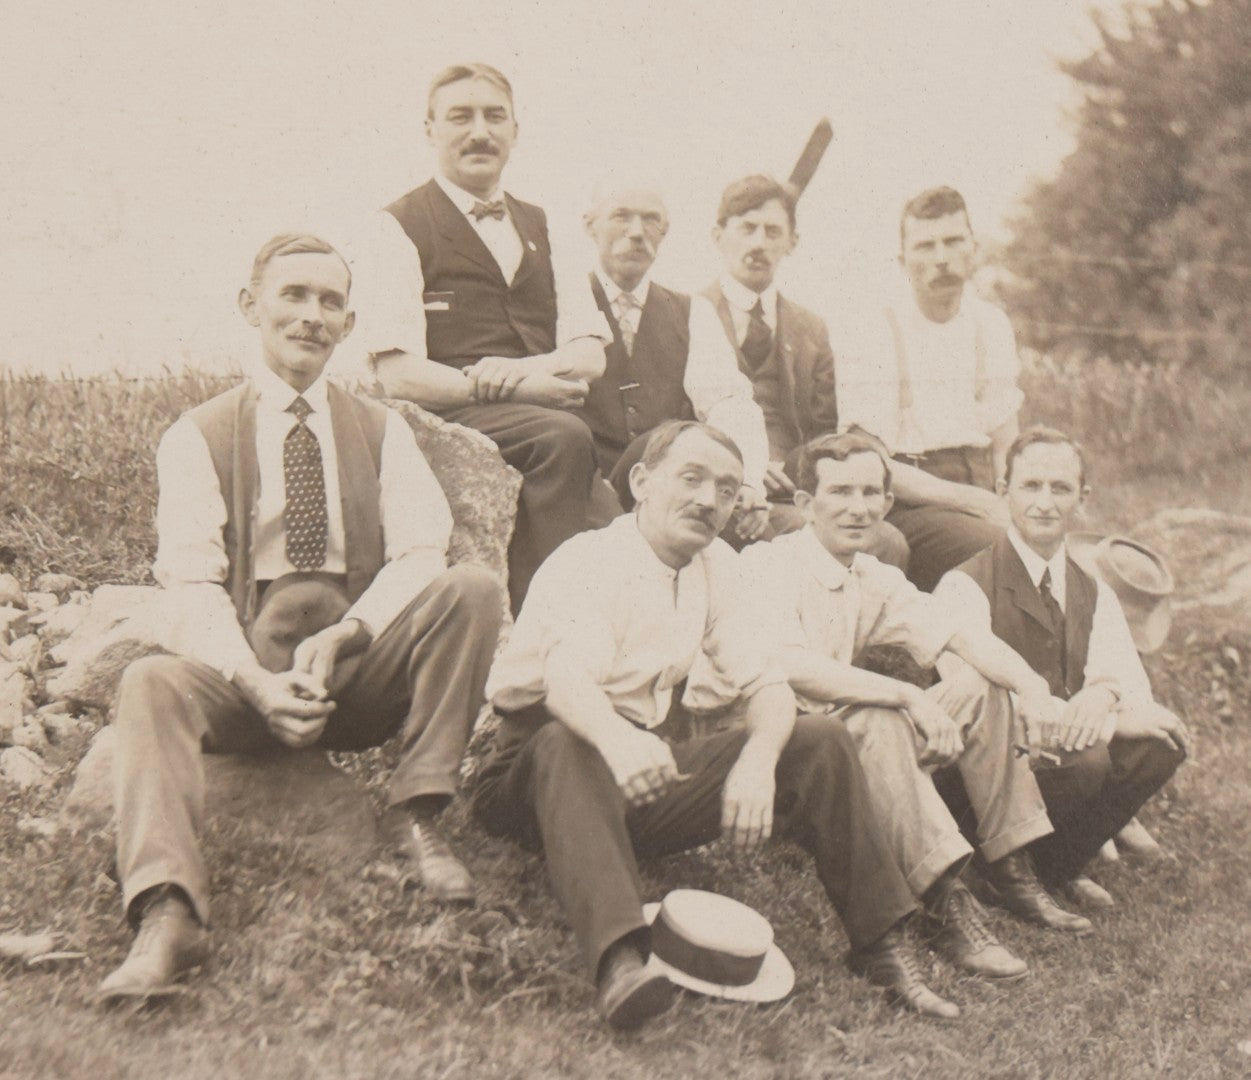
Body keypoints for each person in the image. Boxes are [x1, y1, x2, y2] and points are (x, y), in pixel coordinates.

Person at [97, 234, 502, 1002]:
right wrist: (252, 680)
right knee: (150, 680)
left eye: (329, 301)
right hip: (249, 664)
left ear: (349, 323)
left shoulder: (385, 431)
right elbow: (189, 582)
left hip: (353, 669)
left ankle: (415, 815)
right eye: (293, 295)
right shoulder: (197, 435)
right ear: (251, 307)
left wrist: (349, 634)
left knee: (472, 589)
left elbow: (422, 552)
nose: (311, 315)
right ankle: (166, 910)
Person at [472, 420, 950, 1030]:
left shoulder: (715, 565)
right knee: (569, 741)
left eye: (727, 489)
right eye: (691, 478)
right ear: (642, 482)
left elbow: (769, 681)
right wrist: (619, 742)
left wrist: (756, 762)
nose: (708, 500)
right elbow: (565, 681)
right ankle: (621, 961)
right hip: (532, 773)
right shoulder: (591, 559)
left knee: (818, 739)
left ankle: (880, 947)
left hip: (637, 778)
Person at [740, 432, 1092, 988]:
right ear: (805, 504)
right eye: (839, 493)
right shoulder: (769, 566)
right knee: (878, 718)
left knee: (981, 683)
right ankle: (942, 897)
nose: (858, 508)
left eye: (871, 493)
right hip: (769, 750)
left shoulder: (868, 575)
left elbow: (958, 635)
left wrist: (1030, 685)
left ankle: (1010, 863)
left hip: (839, 737)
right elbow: (786, 666)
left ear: (887, 503)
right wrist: (906, 695)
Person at [341, 63, 611, 612]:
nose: (480, 132)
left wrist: (529, 372)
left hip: (538, 406)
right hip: (450, 413)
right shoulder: (396, 226)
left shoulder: (546, 225)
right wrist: (517, 390)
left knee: (613, 505)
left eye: (494, 117)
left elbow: (590, 354)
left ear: (515, 130)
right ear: (430, 130)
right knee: (562, 439)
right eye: (460, 117)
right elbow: (397, 374)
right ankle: (542, 622)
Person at [934, 426, 1188, 910]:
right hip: (982, 772)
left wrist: (1103, 696)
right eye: (1030, 486)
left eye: (1060, 488)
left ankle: (1054, 867)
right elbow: (984, 709)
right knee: (1089, 753)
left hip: (1058, 757)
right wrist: (1108, 722)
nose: (1045, 503)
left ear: (1083, 499)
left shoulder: (1092, 588)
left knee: (1158, 742)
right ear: (1003, 492)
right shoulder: (964, 583)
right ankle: (989, 862)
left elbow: (1126, 681)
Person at [703, 174, 907, 565]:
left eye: (772, 231)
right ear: (718, 236)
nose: (759, 243)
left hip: (793, 492)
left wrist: (785, 470)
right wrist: (747, 472)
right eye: (747, 228)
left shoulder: (809, 329)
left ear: (792, 243)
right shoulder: (689, 315)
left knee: (887, 543)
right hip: (723, 491)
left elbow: (822, 434)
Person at [836, 186, 1023, 590]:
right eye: (925, 246)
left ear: (973, 249)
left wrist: (1014, 498)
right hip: (910, 499)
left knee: (1065, 549)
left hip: (984, 486)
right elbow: (871, 461)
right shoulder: (877, 328)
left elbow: (1007, 437)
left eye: (953, 242)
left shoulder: (990, 323)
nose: (941, 258)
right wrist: (978, 503)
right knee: (1002, 551)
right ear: (904, 260)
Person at [579, 180, 770, 544]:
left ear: (664, 232)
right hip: (585, 483)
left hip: (672, 486)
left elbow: (728, 401)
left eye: (651, 220)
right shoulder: (566, 299)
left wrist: (746, 480)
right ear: (590, 226)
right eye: (621, 217)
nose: (637, 233)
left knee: (756, 535)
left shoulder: (691, 311)